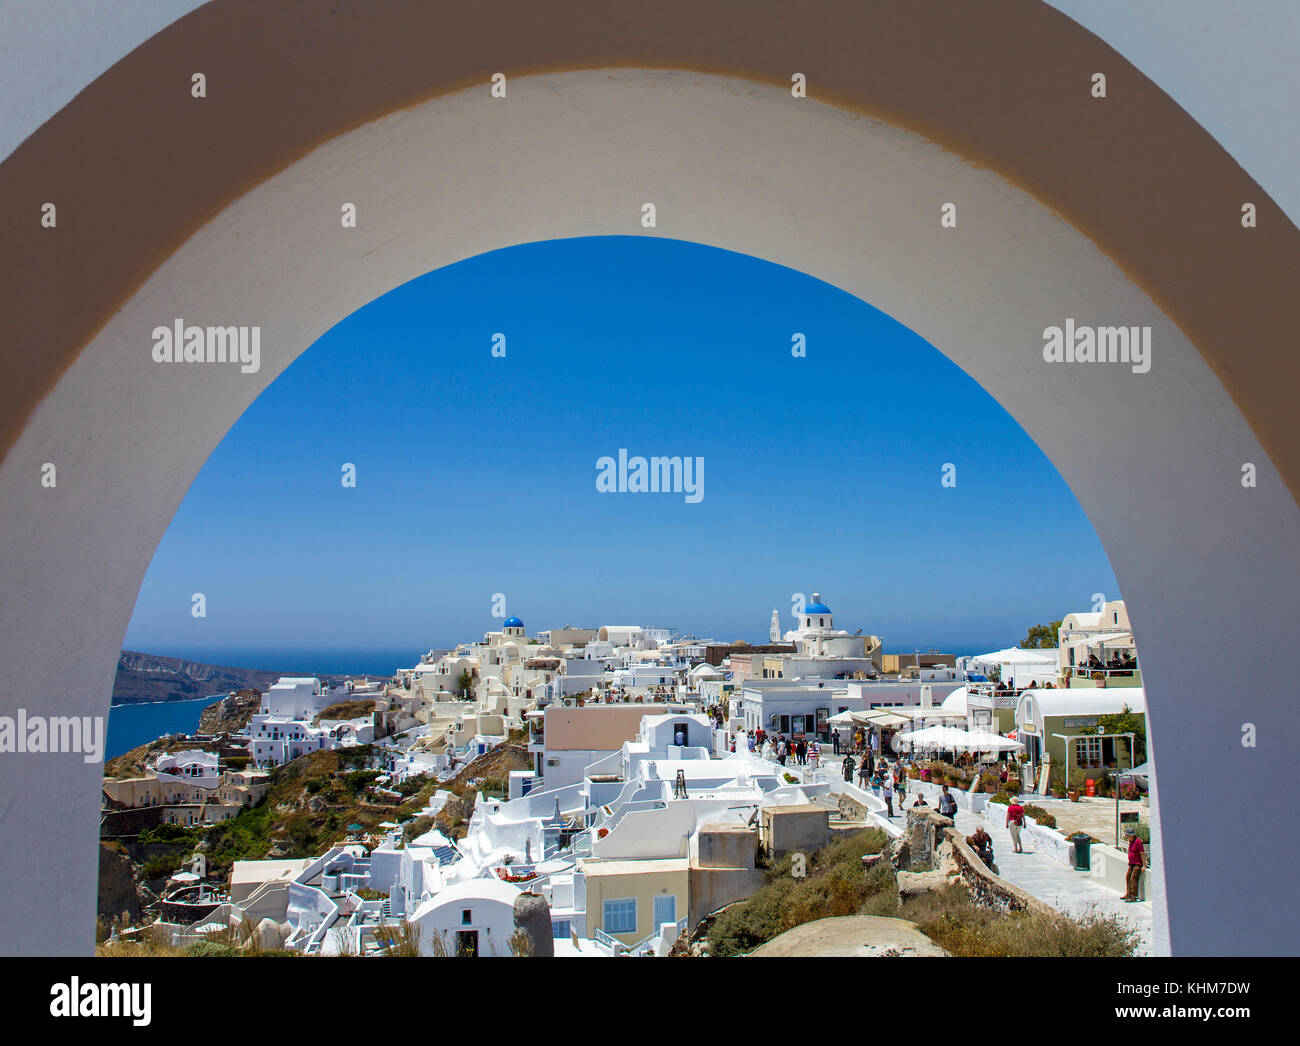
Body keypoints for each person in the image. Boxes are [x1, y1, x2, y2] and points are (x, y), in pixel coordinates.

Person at [1122, 827, 1145, 901]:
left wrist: (1144, 865)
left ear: (1132, 835)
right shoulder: (1131, 841)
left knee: (1133, 878)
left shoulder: (1138, 842)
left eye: (1128, 835)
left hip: (1137, 864)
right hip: (1131, 863)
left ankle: (1133, 896)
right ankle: (1128, 894)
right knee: (1128, 877)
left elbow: (1142, 853)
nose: (1127, 837)